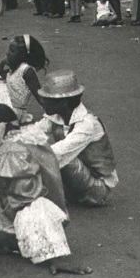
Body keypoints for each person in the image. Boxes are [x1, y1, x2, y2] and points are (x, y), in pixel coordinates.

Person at [0, 105, 92, 275]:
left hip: (11, 227)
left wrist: (53, 256)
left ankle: (4, 243)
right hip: (36, 216)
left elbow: (26, 203)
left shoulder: (10, 153)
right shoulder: (28, 139)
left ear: (4, 129)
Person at [35, 70, 117, 207]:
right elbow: (34, 132)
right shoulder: (55, 116)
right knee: (39, 145)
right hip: (78, 181)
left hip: (97, 188)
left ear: (64, 102)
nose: (42, 101)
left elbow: (60, 152)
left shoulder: (87, 123)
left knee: (59, 155)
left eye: (48, 99)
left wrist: (24, 155)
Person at [0, 34, 48, 124]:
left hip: (16, 112)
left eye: (12, 51)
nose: (7, 53)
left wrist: (52, 114)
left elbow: (39, 96)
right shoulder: (13, 69)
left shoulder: (27, 71)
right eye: (8, 49)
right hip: (8, 107)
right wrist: (1, 63)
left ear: (22, 55)